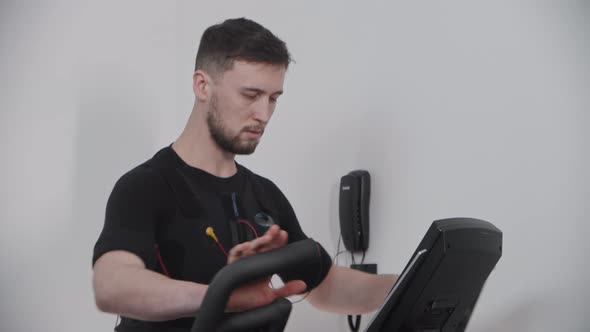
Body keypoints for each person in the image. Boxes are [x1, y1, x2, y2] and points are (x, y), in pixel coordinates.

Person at [92, 17, 398, 331]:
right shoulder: (146, 186)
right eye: (250, 95)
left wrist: (416, 282)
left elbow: (325, 287)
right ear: (202, 86)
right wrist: (223, 295)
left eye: (273, 98)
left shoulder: (265, 196)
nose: (264, 114)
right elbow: (112, 286)